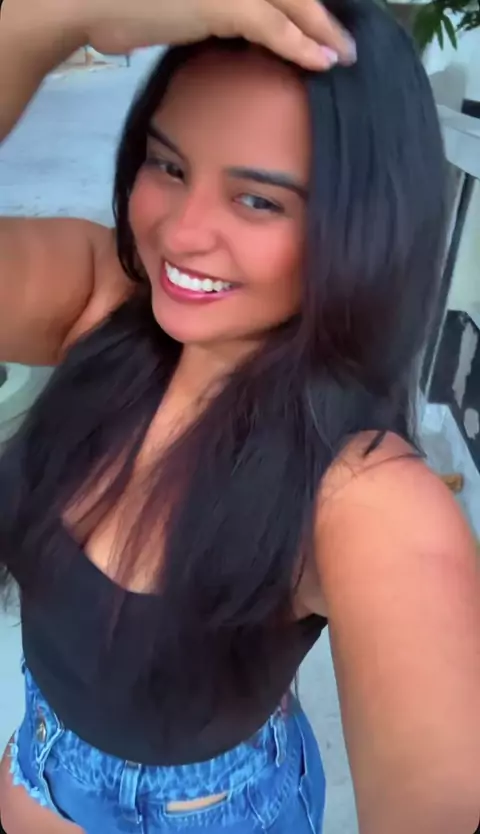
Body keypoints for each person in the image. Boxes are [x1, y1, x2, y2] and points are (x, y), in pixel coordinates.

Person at [0, 0, 479, 832]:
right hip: (34, 768)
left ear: (357, 229)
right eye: (168, 165)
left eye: (258, 201)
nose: (182, 233)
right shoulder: (98, 300)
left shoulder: (364, 493)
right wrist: (56, 18)